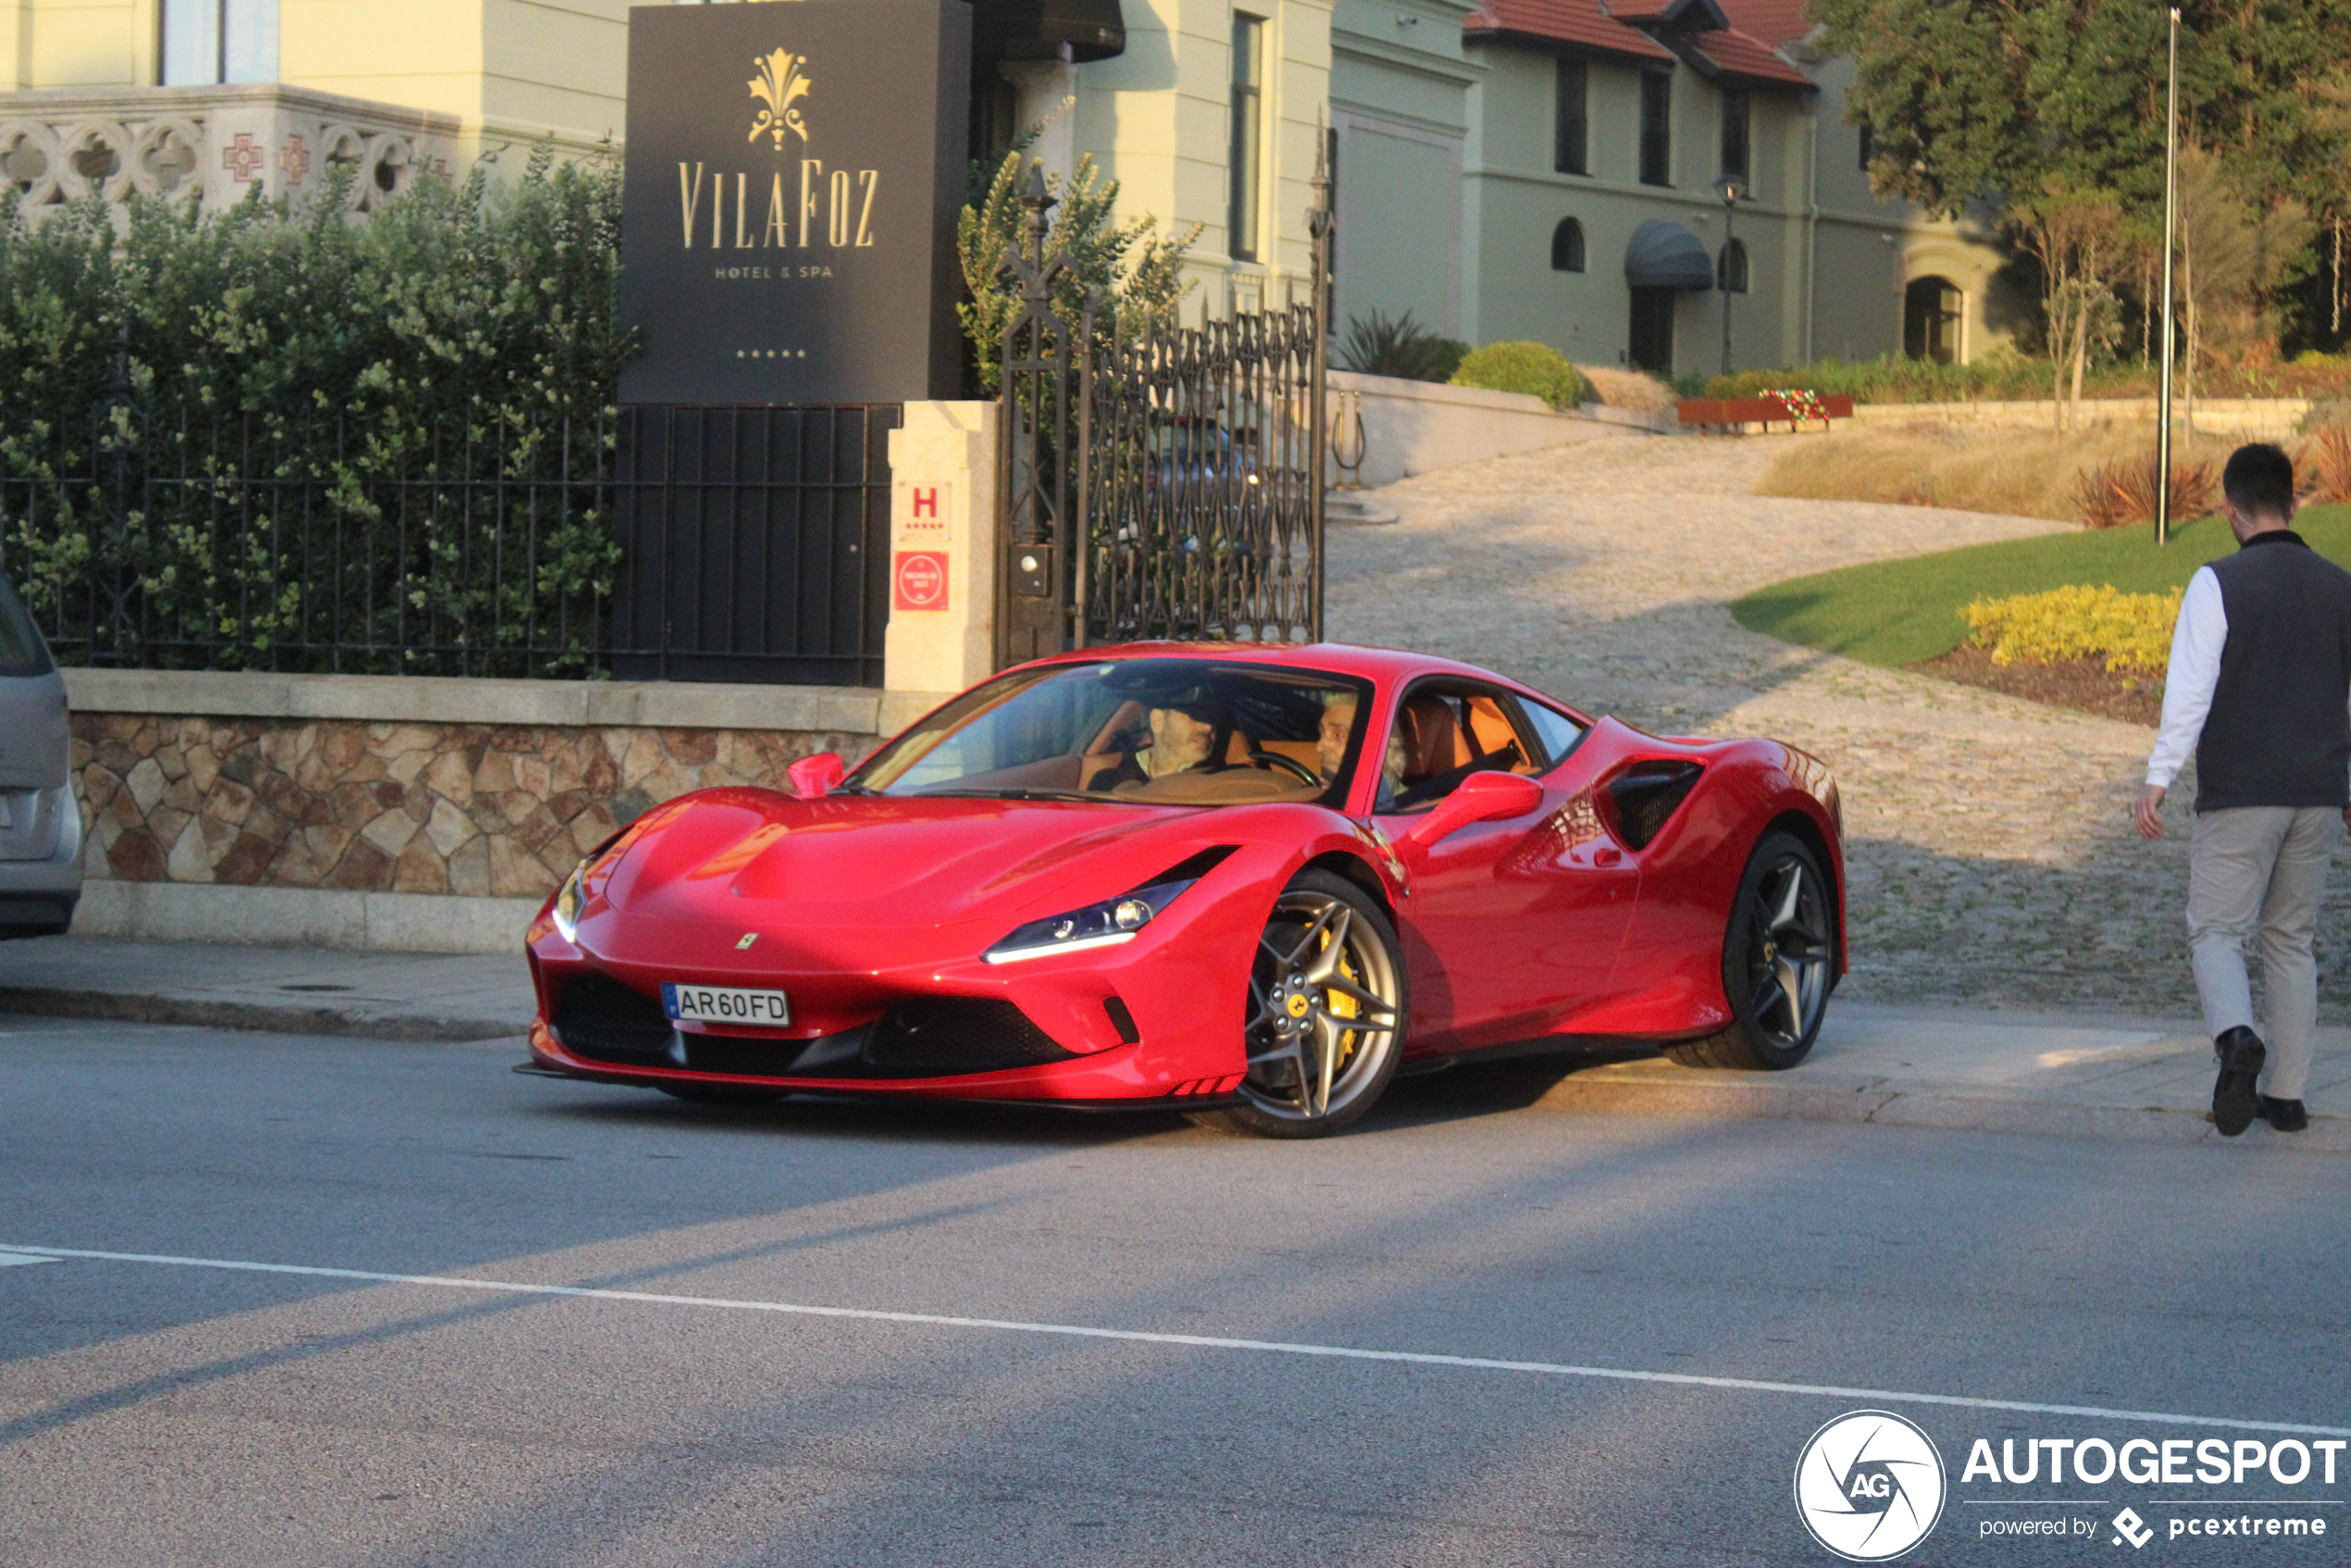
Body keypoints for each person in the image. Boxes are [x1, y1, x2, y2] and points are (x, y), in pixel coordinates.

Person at [2135, 442, 2351, 1137]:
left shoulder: (2218, 582)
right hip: (2319, 793)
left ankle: (2235, 1038)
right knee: (2292, 939)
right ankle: (2286, 1098)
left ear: (2230, 509)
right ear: (2293, 502)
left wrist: (2159, 778)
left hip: (2242, 794)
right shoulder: (2340, 587)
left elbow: (2191, 693)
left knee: (2216, 930)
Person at [1095, 688, 1224, 788]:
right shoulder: (1106, 784)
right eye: (1194, 715)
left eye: (1212, 718)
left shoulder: (1225, 788)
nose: (1208, 726)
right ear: (1157, 721)